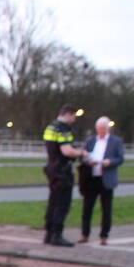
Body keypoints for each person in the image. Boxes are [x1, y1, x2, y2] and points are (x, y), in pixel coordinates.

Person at [42, 104, 90, 247]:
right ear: (68, 114)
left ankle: (49, 233)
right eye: (74, 116)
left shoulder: (50, 127)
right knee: (62, 203)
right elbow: (66, 150)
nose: (74, 119)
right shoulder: (63, 129)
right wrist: (81, 153)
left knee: (53, 202)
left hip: (51, 167)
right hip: (62, 170)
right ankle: (57, 235)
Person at [77, 116, 124, 245]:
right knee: (87, 208)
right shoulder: (90, 140)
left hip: (106, 178)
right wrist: (87, 161)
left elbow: (120, 159)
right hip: (91, 178)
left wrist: (110, 162)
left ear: (108, 128)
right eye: (98, 129)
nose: (101, 131)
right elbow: (83, 156)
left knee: (106, 209)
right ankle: (84, 234)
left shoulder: (116, 142)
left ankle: (104, 236)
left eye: (103, 128)